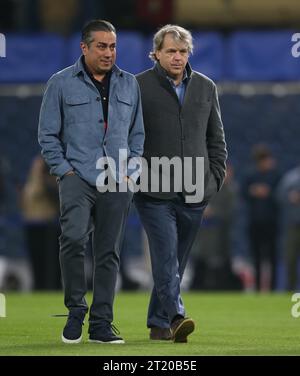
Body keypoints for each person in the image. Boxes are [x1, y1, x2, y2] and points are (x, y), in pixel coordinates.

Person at [38, 20, 144, 344]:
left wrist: (131, 174)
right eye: (101, 46)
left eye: (113, 46)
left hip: (117, 180)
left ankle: (101, 324)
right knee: (71, 240)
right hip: (77, 178)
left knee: (108, 253)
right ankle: (75, 311)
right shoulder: (59, 83)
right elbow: (47, 134)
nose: (109, 53)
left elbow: (137, 135)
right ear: (84, 47)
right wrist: (64, 171)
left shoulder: (129, 85)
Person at [134, 25, 227, 342]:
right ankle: (176, 317)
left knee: (176, 262)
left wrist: (212, 182)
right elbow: (126, 136)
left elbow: (217, 141)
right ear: (156, 53)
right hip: (152, 191)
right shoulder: (137, 86)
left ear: (189, 53)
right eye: (171, 51)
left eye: (182, 51)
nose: (177, 57)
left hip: (195, 191)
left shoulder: (205, 86)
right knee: (165, 257)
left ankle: (158, 324)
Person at [242, 144, 281, 291]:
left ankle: (273, 288)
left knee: (272, 256)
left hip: (271, 221)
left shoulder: (275, 175)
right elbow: (243, 194)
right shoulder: (250, 176)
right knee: (257, 256)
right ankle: (258, 288)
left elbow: (280, 195)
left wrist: (268, 193)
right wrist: (253, 192)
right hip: (255, 221)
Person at [277, 165, 300, 291]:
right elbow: (279, 196)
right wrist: (290, 197)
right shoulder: (290, 178)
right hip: (293, 225)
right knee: (290, 258)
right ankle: (290, 289)